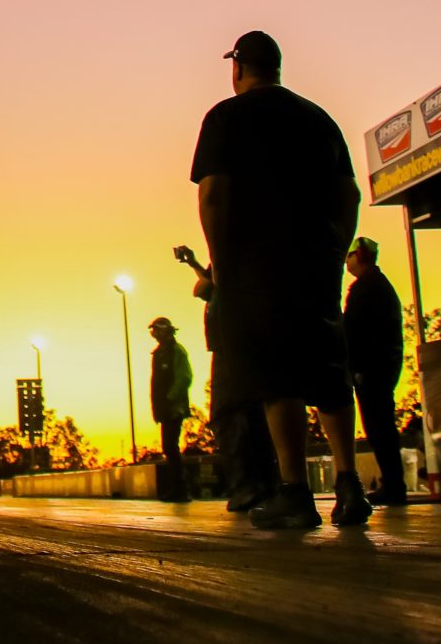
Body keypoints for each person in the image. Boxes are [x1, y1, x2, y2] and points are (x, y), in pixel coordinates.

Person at [190, 30, 370, 529]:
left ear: (238, 68)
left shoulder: (225, 118)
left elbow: (212, 195)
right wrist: (335, 246)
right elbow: (349, 195)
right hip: (315, 261)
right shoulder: (318, 119)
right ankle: (349, 483)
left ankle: (294, 490)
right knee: (329, 369)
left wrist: (219, 259)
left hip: (254, 265)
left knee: (277, 376)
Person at [177, 245, 279, 510]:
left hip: (231, 344)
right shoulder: (238, 257)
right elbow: (209, 281)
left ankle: (248, 484)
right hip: (239, 341)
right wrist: (195, 264)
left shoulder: (232, 254)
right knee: (252, 414)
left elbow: (203, 288)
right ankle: (265, 483)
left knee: (229, 415)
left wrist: (205, 281)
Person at [345, 236, 408, 505]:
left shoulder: (366, 289)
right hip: (381, 366)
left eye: (349, 255)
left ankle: (394, 486)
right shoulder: (378, 286)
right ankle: (393, 483)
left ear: (358, 255)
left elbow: (354, 332)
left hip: (372, 369)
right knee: (380, 426)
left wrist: (356, 367)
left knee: (379, 427)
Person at [147, 316, 193, 502]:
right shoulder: (159, 353)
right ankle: (178, 488)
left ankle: (181, 490)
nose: (153, 333)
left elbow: (185, 377)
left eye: (156, 330)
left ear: (165, 330)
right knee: (169, 446)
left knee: (170, 446)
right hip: (165, 408)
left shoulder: (176, 351)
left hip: (174, 407)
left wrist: (170, 398)